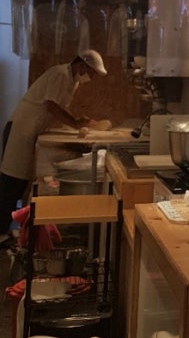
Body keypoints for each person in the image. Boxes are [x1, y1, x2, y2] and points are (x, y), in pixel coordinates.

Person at [0, 50, 108, 243]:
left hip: (30, 132)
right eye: (91, 72)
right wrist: (74, 123)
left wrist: (76, 121)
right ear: (82, 65)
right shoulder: (60, 74)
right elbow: (50, 105)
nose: (91, 77)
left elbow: (59, 106)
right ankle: (1, 232)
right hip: (19, 129)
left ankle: (8, 229)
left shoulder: (72, 81)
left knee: (21, 181)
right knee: (11, 180)